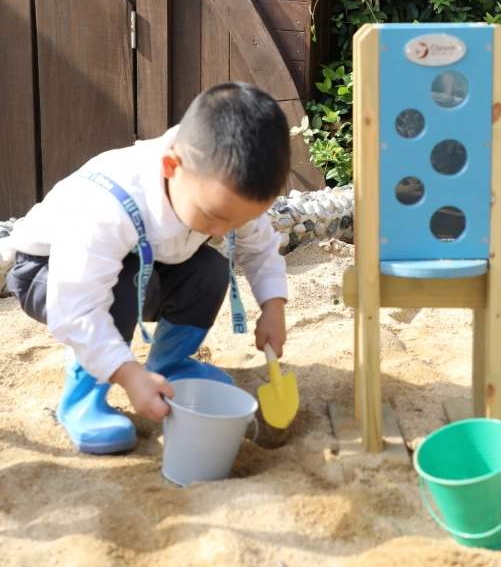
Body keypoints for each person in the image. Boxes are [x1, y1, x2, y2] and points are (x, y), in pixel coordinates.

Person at [1, 82, 289, 455]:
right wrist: (129, 375)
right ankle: (83, 398)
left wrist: (273, 306)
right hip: (47, 273)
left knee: (210, 270)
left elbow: (260, 246)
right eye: (214, 216)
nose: (222, 231)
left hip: (141, 265)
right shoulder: (109, 204)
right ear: (172, 166)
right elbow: (75, 305)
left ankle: (170, 365)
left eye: (237, 221)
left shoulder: (219, 188)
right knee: (119, 283)